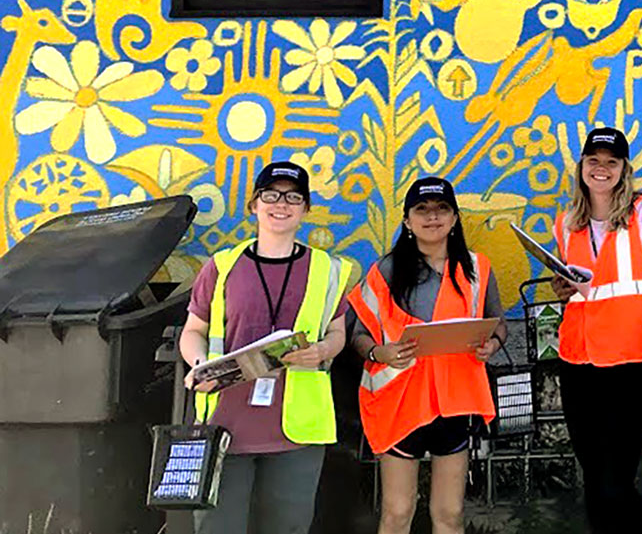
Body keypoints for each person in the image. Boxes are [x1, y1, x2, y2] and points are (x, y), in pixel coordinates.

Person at [178, 161, 355, 534]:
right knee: (217, 528)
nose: (282, 204)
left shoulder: (326, 269)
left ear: (305, 209)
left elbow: (338, 333)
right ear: (254, 205)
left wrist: (323, 351)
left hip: (298, 429)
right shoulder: (222, 266)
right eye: (271, 195)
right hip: (224, 423)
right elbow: (193, 330)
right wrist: (200, 365)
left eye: (294, 197)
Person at [552, 126, 642, 534]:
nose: (602, 169)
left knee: (616, 478)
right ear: (582, 167)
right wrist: (563, 289)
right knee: (594, 476)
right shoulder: (567, 222)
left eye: (611, 162)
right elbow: (583, 290)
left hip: (632, 359)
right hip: (577, 360)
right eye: (594, 161)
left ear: (623, 169)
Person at [346, 176, 507, 534]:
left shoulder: (478, 268)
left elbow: (498, 323)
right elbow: (358, 335)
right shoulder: (386, 271)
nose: (432, 217)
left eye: (441, 209)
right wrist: (380, 352)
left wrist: (492, 344)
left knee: (449, 515)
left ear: (454, 218)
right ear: (407, 220)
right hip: (400, 401)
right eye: (422, 210)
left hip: (455, 401)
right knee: (398, 512)